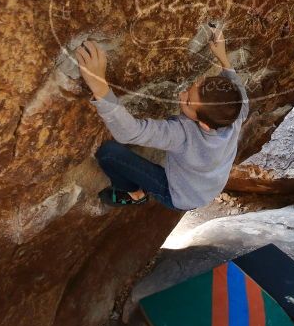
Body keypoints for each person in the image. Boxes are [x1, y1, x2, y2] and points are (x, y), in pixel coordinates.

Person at [75, 28, 248, 211]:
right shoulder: (235, 115)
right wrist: (223, 57)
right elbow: (238, 91)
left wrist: (99, 86)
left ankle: (134, 194)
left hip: (180, 196)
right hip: (209, 186)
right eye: (192, 87)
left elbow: (130, 133)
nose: (182, 94)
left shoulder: (183, 134)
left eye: (188, 102)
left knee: (108, 153)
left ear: (203, 124)